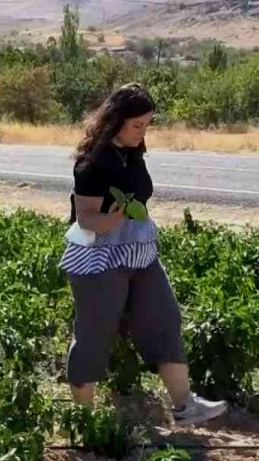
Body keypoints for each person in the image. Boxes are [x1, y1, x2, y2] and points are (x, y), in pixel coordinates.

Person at [61, 82, 228, 425]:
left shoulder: (133, 152)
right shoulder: (92, 163)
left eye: (147, 125)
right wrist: (116, 217)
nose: (143, 132)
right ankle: (85, 420)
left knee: (164, 318)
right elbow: (87, 218)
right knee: (95, 334)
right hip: (99, 257)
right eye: (138, 125)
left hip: (139, 253)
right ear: (116, 120)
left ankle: (185, 406)